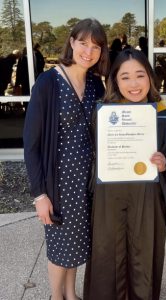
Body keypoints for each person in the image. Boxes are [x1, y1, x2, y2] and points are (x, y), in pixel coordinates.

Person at [83, 48, 166, 300]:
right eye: (125, 77)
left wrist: (164, 164)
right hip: (109, 197)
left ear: (150, 77)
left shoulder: (163, 113)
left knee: (143, 256)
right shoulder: (103, 112)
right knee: (107, 256)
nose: (134, 84)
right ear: (114, 80)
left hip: (147, 197)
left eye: (140, 75)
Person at [23, 18, 109, 300]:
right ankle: (56, 297)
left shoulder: (97, 84)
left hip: (89, 181)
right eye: (83, 43)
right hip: (60, 184)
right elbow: (31, 144)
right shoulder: (48, 83)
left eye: (96, 46)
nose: (88, 51)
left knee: (77, 244)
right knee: (61, 247)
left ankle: (72, 294)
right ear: (71, 42)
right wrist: (40, 195)